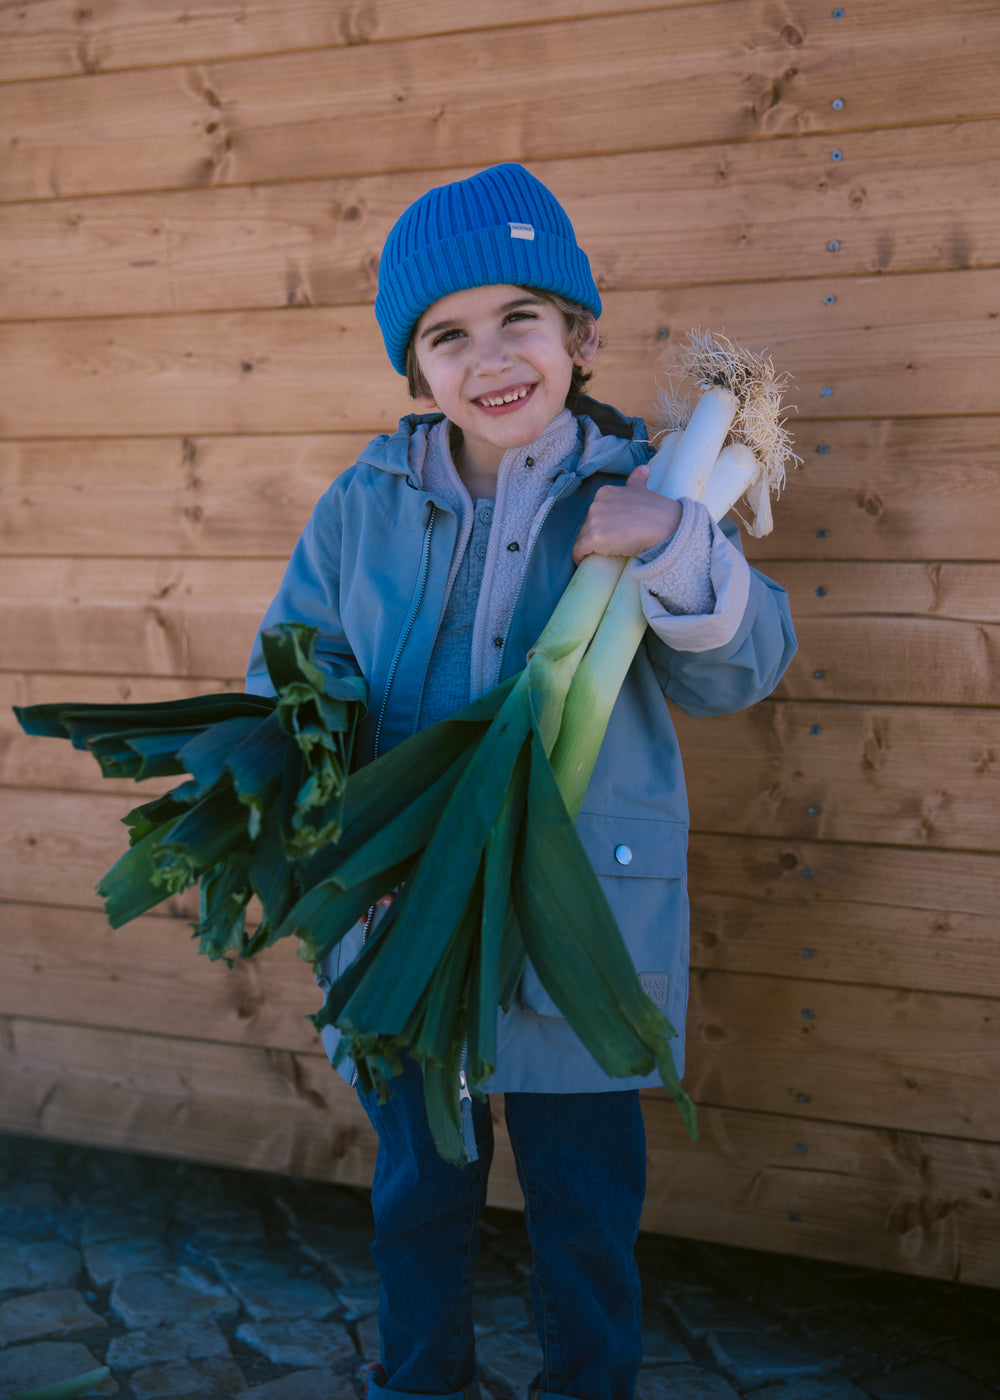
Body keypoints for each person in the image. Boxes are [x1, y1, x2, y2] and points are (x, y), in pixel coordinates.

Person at [245, 163, 796, 1400]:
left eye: (520, 320)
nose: (487, 356)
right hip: (406, 917)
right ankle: (421, 1380)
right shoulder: (364, 502)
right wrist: (321, 778)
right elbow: (293, 661)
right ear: (414, 368)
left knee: (582, 1216)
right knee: (417, 1197)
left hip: (579, 925)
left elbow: (741, 671)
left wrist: (673, 549)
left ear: (581, 336)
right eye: (447, 334)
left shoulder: (654, 487)